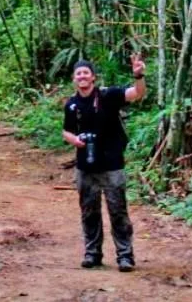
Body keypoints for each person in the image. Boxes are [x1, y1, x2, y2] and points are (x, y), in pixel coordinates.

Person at [61, 54, 146, 271]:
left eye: (86, 73)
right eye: (78, 74)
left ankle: (125, 256)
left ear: (93, 78)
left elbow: (137, 93)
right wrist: (76, 140)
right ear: (74, 79)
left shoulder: (108, 95)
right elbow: (66, 131)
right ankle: (92, 253)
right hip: (85, 166)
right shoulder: (72, 104)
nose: (82, 77)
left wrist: (138, 74)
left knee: (118, 211)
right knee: (89, 212)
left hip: (112, 164)